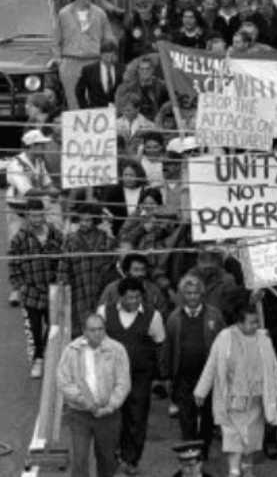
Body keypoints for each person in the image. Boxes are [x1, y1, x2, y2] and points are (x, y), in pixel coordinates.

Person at [194, 302, 277, 477]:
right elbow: (212, 364)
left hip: (256, 398)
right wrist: (201, 390)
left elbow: (273, 366)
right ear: (239, 323)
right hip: (232, 398)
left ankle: (247, 468)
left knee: (252, 437)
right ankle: (234, 470)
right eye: (251, 322)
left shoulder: (264, 339)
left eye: (256, 322)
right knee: (233, 436)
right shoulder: (224, 338)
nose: (255, 326)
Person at [97, 277, 166, 475]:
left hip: (140, 377)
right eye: (130, 298)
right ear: (120, 297)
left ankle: (131, 459)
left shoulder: (153, 316)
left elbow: (160, 343)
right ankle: (113, 456)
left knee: (137, 418)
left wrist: (160, 376)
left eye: (137, 297)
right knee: (112, 416)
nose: (134, 301)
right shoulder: (104, 312)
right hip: (111, 377)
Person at [57, 313, 131, 477]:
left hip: (108, 416)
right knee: (80, 459)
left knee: (107, 460)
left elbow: (123, 383)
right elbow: (63, 381)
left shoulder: (117, 350)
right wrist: (83, 401)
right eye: (92, 330)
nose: (97, 333)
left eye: (100, 329)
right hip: (79, 415)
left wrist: (110, 406)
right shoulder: (71, 351)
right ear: (84, 331)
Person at [164, 275, 226, 459]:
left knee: (207, 416)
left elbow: (224, 342)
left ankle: (203, 450)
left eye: (195, 293)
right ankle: (190, 451)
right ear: (182, 295)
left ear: (202, 294)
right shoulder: (174, 318)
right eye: (188, 293)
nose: (192, 297)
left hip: (208, 376)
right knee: (186, 417)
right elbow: (168, 347)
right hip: (184, 375)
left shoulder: (214, 315)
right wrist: (168, 375)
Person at [10, 198, 63, 378]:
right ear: (27, 216)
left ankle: (45, 355)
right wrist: (19, 286)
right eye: (33, 216)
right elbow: (13, 264)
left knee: (53, 325)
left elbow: (64, 255)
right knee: (34, 329)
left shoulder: (55, 234)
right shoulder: (19, 239)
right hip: (31, 291)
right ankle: (38, 359)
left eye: (40, 215)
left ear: (44, 214)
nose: (37, 219)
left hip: (52, 288)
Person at [52, 0, 114, 109]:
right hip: (70, 61)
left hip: (94, 60)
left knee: (97, 98)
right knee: (73, 99)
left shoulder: (100, 13)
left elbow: (108, 37)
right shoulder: (64, 14)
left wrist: (108, 55)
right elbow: (56, 39)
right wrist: (59, 60)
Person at [57, 203, 116, 338]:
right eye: (81, 220)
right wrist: (62, 289)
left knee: (100, 324)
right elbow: (63, 267)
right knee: (80, 328)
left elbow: (112, 261)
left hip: (99, 288)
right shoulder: (70, 240)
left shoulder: (104, 238)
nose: (84, 223)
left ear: (95, 221)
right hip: (78, 290)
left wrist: (110, 235)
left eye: (88, 220)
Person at [75, 41, 124, 109]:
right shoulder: (89, 70)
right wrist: (85, 108)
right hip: (95, 111)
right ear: (101, 55)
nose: (109, 60)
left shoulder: (123, 70)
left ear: (116, 56)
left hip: (117, 110)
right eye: (106, 57)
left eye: (112, 56)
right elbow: (79, 91)